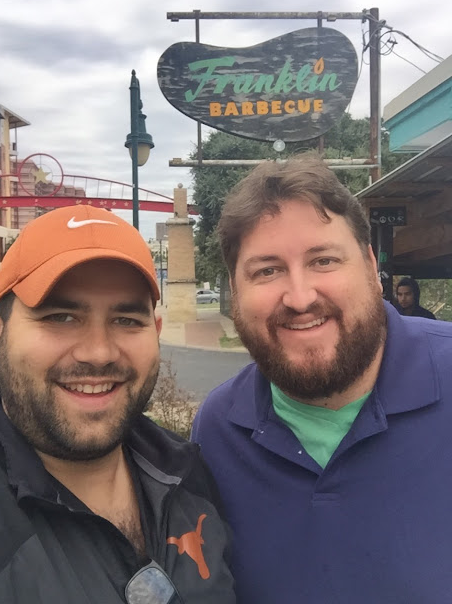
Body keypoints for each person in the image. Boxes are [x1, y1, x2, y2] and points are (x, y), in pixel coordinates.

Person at [191, 155, 452, 604]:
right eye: (267, 270)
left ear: (371, 267)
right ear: (235, 290)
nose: (299, 297)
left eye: (324, 260)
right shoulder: (217, 430)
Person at [0, 204, 235, 604]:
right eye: (60, 317)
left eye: (127, 320)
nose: (99, 353)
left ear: (156, 333)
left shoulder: (188, 473)